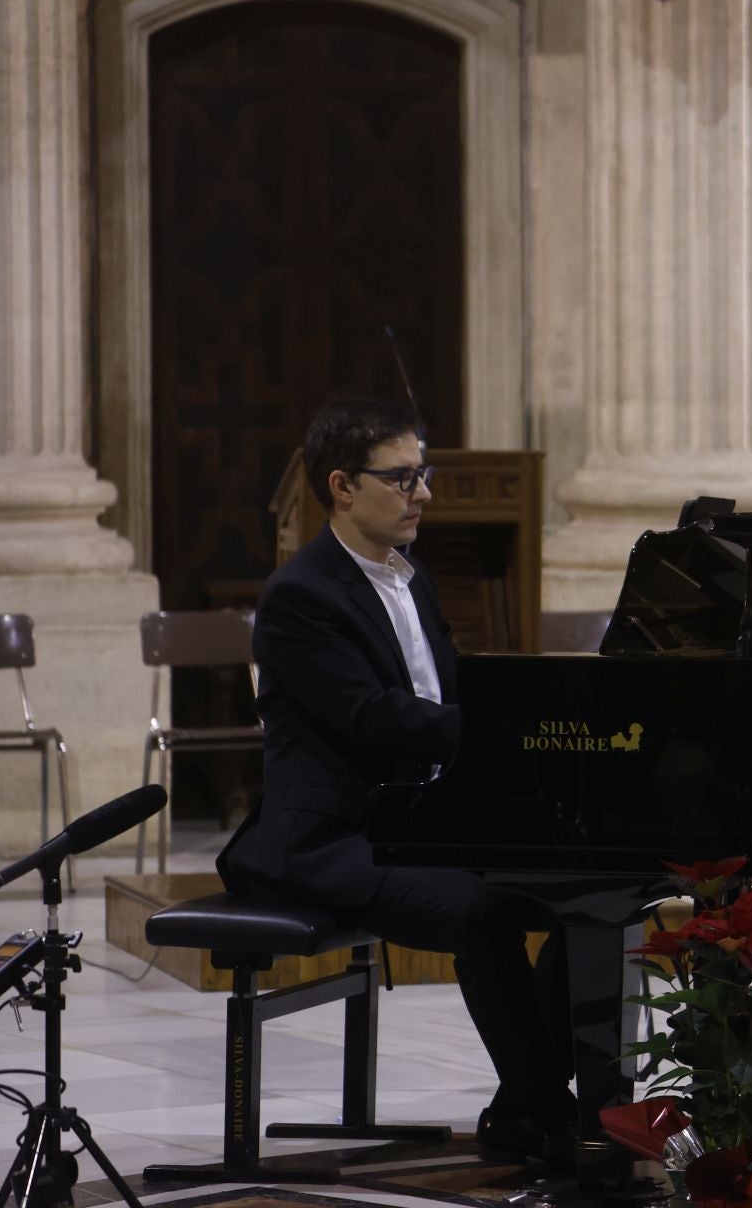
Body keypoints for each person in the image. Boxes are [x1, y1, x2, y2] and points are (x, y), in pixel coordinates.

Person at [219, 398, 575, 1164]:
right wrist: (504, 734)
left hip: (419, 823)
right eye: (404, 477)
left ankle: (532, 1103)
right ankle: (548, 1111)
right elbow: (374, 717)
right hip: (336, 839)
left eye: (424, 473)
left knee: (582, 892)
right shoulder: (301, 596)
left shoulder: (413, 579)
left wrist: (529, 725)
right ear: (343, 486)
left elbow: (450, 691)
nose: (425, 493)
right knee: (482, 913)